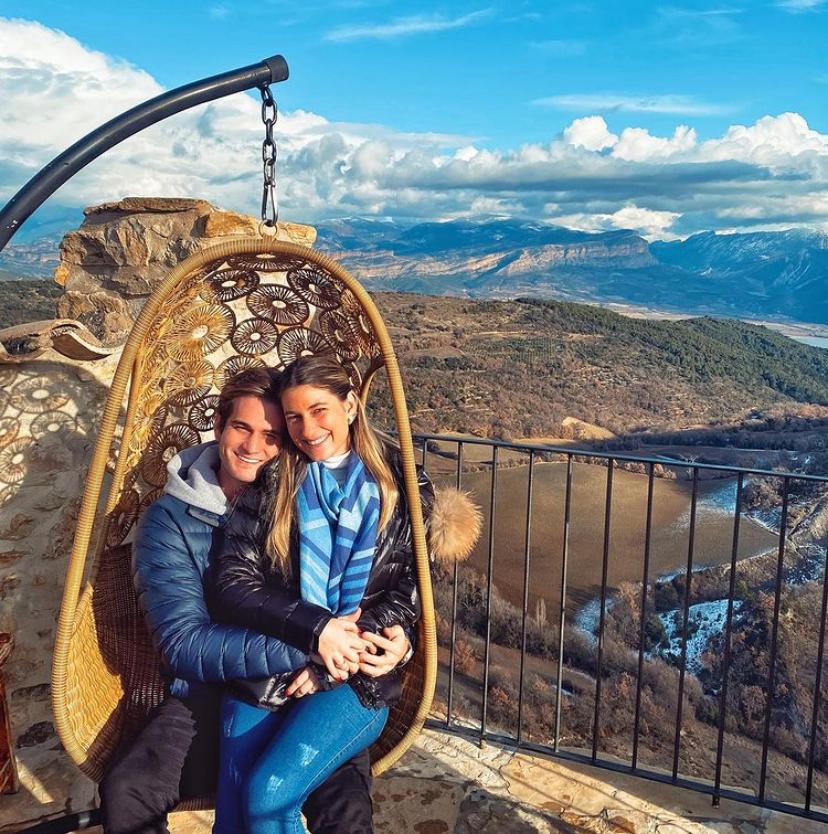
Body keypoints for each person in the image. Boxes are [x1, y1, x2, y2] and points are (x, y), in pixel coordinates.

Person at [99, 367, 391, 834]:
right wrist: (315, 646)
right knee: (129, 789)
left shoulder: (307, 502)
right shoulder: (169, 521)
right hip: (205, 694)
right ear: (218, 427)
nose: (254, 447)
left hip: (304, 688)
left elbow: (367, 588)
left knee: (345, 807)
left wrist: (390, 638)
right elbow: (182, 645)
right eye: (242, 428)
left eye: (273, 436)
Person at [207, 355, 432, 834]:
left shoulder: (401, 485)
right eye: (293, 417)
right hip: (271, 669)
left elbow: (410, 591)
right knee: (233, 810)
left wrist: (338, 654)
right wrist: (316, 632)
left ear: (350, 405)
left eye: (319, 410)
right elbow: (232, 582)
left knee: (268, 795)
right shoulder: (275, 482)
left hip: (356, 678)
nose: (307, 429)